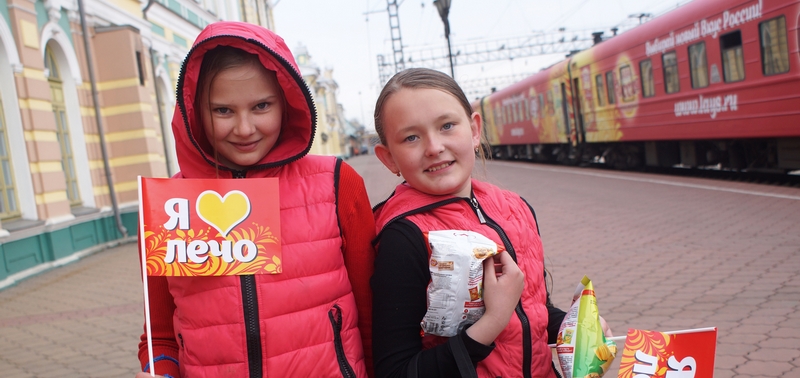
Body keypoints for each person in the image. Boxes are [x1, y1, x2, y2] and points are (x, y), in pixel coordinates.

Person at [135, 21, 374, 378]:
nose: (244, 129)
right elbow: (161, 337)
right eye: (223, 111)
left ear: (287, 103)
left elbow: (374, 316)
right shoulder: (172, 208)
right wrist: (159, 371)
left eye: (261, 106)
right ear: (195, 113)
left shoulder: (336, 184)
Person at [370, 68, 605, 378]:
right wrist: (491, 323)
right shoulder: (404, 238)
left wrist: (574, 327)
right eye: (411, 137)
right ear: (389, 159)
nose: (433, 147)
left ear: (475, 130)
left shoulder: (516, 209)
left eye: (447, 125)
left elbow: (531, 313)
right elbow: (397, 371)